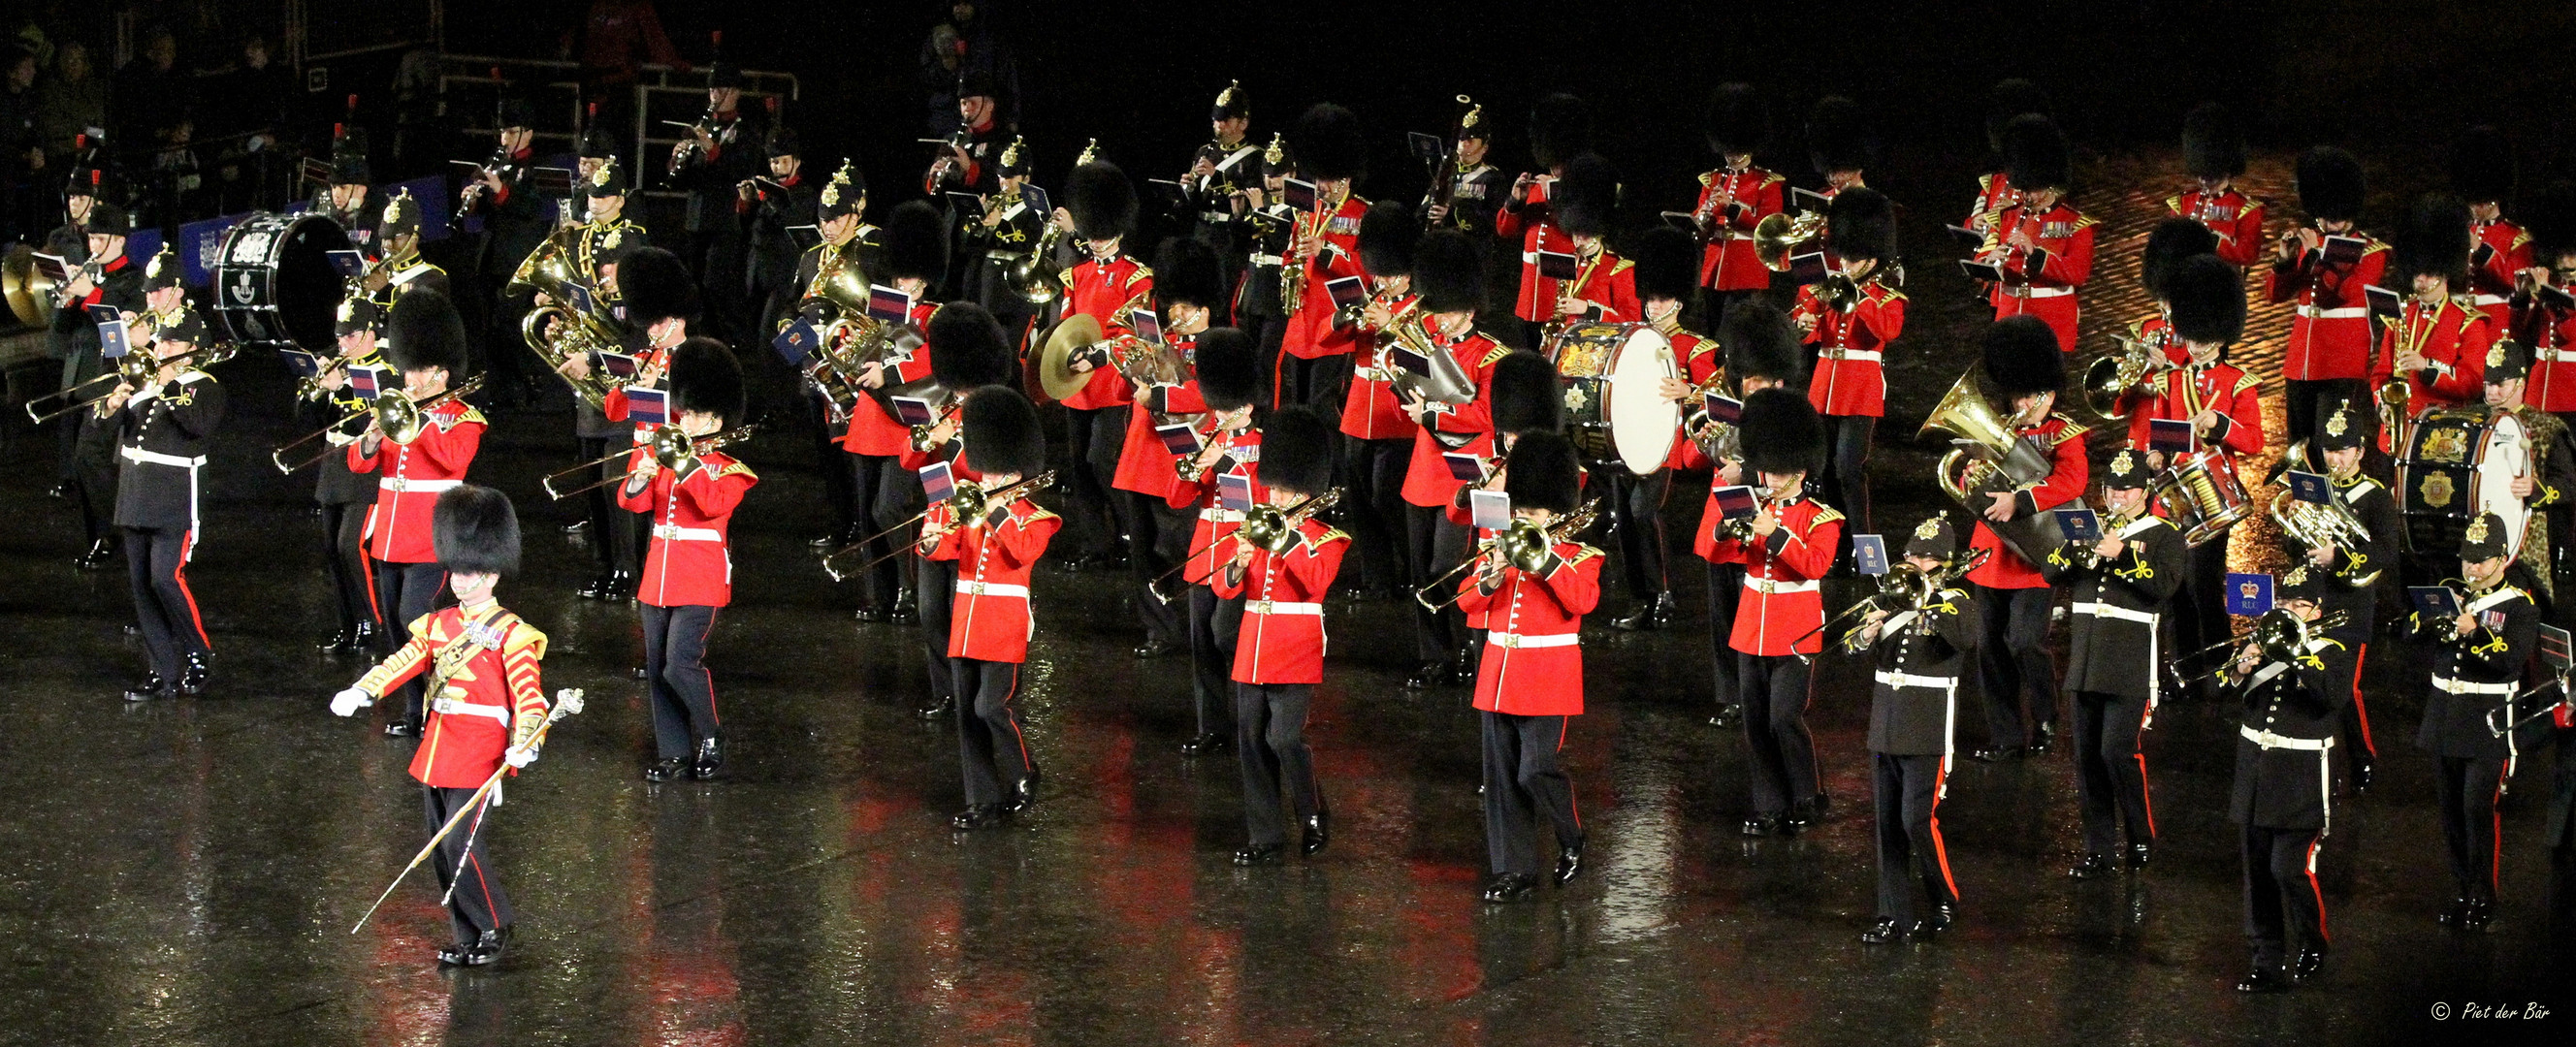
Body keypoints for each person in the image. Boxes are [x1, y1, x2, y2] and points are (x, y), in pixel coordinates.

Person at [330, 485, 554, 968]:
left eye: (468, 571)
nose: (457, 580)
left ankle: (494, 922)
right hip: (439, 747)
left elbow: (528, 694)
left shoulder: (512, 634)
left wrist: (527, 741)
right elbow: (405, 660)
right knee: (440, 852)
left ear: (491, 574)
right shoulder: (438, 624)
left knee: (460, 844)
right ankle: (466, 933)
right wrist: (365, 690)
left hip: (481, 752)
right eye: (455, 569)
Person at [1458, 430, 1602, 902]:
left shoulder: (1582, 555)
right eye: (1519, 510)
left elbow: (1583, 599)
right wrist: (1491, 576)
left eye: (1532, 512)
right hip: (1499, 670)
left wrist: (1546, 562)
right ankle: (1512, 869)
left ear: (1555, 513)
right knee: (1500, 778)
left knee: (1534, 769)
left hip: (1548, 675)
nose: (1522, 519)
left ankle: (1571, 836)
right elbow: (1467, 605)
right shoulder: (1499, 548)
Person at [2041, 449, 2186, 878]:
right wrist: (2071, 553)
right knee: (2087, 758)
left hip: (2129, 661)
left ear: (2144, 492)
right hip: (2086, 659)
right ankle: (2098, 848)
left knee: (2116, 753)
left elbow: (2163, 586)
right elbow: (2050, 573)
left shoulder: (2164, 535)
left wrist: (2121, 553)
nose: (2117, 497)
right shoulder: (2091, 529)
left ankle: (2140, 834)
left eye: (2126, 490)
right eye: (2111, 489)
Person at [618, 339, 756, 782]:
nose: (685, 420)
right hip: (658, 574)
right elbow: (631, 503)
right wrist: (640, 478)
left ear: (715, 419)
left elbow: (714, 504)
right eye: (684, 412)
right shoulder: (658, 457)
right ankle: (674, 751)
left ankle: (712, 734)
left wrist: (683, 464)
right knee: (658, 668)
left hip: (700, 577)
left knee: (680, 663)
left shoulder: (730, 469)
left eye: (695, 414)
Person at [1215, 405, 1348, 863]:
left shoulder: (1328, 538)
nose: (1273, 496)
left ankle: (1311, 809)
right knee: (1251, 741)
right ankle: (1265, 836)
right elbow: (1224, 587)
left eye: (1284, 489)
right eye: (1272, 487)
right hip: (1253, 642)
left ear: (1306, 492)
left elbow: (1315, 581)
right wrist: (1236, 562)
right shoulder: (1255, 525)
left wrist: (1284, 538)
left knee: (1284, 739)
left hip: (1295, 644)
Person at [350, 290, 484, 737]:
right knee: (394, 627)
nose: (408, 376)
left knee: (416, 621)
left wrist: (419, 422)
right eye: (408, 367)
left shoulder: (463, 417)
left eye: (418, 369)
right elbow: (361, 464)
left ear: (441, 373)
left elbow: (453, 461)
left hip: (432, 535)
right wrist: (370, 437)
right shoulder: (396, 411)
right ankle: (415, 711)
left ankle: (437, 706)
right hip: (389, 532)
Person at [2125, 254, 2262, 691]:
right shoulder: (2173, 380)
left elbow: (2254, 441)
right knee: (2176, 586)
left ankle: (2221, 669)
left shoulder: (2238, 382)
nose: (2196, 344)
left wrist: (2220, 426)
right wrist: (2155, 456)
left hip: (2214, 496)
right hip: (2176, 496)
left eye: (2204, 338)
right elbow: (2158, 432)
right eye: (2192, 336)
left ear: (2221, 337)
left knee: (2206, 585)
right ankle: (2184, 668)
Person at [1713, 387, 1840, 836]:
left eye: (1777, 472)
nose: (1767, 477)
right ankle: (1769, 803)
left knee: (1784, 718)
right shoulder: (1754, 504)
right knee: (1755, 723)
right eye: (1765, 469)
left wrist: (1776, 535)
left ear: (1800, 472)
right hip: (1751, 627)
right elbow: (1715, 548)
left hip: (1795, 629)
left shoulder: (1823, 518)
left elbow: (1815, 564)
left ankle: (1807, 794)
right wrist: (1727, 528)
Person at [934, 386, 1061, 830]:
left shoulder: (1036, 517)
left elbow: (1022, 550)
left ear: (1016, 474)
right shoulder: (972, 507)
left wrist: (995, 511)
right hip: (966, 619)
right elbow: (944, 550)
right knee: (968, 713)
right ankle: (981, 800)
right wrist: (934, 534)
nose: (985, 480)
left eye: (994, 475)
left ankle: (1024, 771)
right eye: (984, 473)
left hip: (1004, 624)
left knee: (992, 707)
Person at [1965, 317, 2090, 761]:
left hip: (2036, 553)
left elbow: (2072, 481)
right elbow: (1974, 476)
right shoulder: (1996, 427)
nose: (2022, 402)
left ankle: (2044, 714)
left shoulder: (2066, 432)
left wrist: (2022, 499)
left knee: (2023, 641)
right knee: (1989, 647)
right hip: (1990, 552)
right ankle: (2005, 734)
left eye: (2031, 394)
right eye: (2017, 393)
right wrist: (1969, 476)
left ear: (2050, 393)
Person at [1397, 230, 1510, 690]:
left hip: (1462, 473)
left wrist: (1434, 411)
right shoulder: (1427, 342)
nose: (1437, 318)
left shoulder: (1491, 354)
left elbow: (1485, 413)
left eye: (1444, 309)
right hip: (1424, 469)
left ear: (1466, 307)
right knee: (1421, 572)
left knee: (1451, 565)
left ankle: (1465, 644)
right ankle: (1435, 654)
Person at [1854, 517, 1977, 943]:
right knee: (1887, 825)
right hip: (1886, 721)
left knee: (1915, 821)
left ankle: (1944, 896)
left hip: (1926, 724)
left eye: (1926, 558)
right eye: (1911, 556)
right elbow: (1855, 647)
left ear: (1943, 564)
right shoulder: (1889, 598)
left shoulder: (1958, 600)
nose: (1916, 563)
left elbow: (1964, 638)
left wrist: (1923, 600)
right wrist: (1868, 631)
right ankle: (1892, 914)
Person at [2414, 512, 2538, 931]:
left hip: (2486, 725)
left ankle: (2484, 895)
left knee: (2477, 810)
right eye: (2467, 558)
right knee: (2451, 812)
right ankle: (2462, 890)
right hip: (2446, 718)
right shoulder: (2454, 595)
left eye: (2481, 560)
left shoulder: (2520, 606)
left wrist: (2475, 632)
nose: (2471, 567)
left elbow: (2508, 660)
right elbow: (2413, 643)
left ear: (2502, 559)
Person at [2223, 567, 2345, 993]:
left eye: (2299, 605)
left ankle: (2312, 940)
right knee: (2257, 873)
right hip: (2256, 771)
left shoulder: (2332, 650)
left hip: (2300, 777)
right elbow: (2222, 692)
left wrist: (2293, 653)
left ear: (2317, 611)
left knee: (2288, 869)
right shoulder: (2261, 644)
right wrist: (2240, 667)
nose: (2290, 611)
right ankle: (2265, 960)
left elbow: (2331, 698)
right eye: (2284, 604)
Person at [1111, 237, 1225, 657]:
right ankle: (1157, 628)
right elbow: (1124, 391)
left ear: (1205, 310)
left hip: (1181, 460)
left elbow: (1210, 395)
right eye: (1171, 306)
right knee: (1142, 552)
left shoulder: (1217, 346)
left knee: (1177, 548)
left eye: (1184, 307)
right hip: (1140, 456)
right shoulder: (1159, 343)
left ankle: (1189, 626)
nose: (1174, 314)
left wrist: (1159, 396)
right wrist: (1122, 365)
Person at [904, 302, 1018, 722]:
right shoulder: (946, 409)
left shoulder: (998, 411)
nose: (958, 396)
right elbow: (909, 461)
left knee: (961, 617)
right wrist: (924, 441)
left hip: (973, 529)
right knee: (931, 612)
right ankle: (944, 690)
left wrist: (952, 443)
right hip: (937, 525)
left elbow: (997, 470)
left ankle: (967, 692)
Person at [1693, 301, 1803, 729]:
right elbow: (1701, 458)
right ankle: (1729, 694)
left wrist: (1750, 470)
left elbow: (1797, 467)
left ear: (1777, 377)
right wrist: (1706, 442)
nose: (1747, 385)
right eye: (1746, 378)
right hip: (1722, 517)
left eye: (1755, 379)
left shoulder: (1789, 410)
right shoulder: (1732, 401)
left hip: (1762, 518)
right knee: (1722, 610)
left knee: (1751, 613)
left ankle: (1755, 694)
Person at [2279, 401, 2399, 791]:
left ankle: (2363, 756)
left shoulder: (2375, 495)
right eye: (2329, 450)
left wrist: (2341, 555)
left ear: (2360, 452)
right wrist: (2296, 522)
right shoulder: (2314, 489)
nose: (2334, 458)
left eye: (2342, 450)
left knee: (2344, 686)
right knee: (2307, 676)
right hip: (2311, 600)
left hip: (2351, 603)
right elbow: (2292, 547)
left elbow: (2386, 552)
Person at [106, 306, 222, 702]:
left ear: (190, 350)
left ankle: (198, 652)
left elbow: (198, 426)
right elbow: (105, 433)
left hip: (173, 495)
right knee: (141, 585)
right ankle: (162, 670)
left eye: (172, 342)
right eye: (162, 340)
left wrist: (169, 384)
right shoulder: (146, 384)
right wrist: (111, 405)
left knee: (164, 578)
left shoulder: (204, 386)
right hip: (135, 493)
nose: (162, 347)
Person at [839, 201, 947, 624]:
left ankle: (909, 589)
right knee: (868, 515)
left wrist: (888, 370)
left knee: (891, 509)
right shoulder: (877, 313)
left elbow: (933, 365)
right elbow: (858, 354)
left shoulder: (933, 315)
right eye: (899, 273)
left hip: (906, 423)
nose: (903, 280)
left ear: (924, 279)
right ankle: (879, 594)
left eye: (911, 275)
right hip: (868, 422)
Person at [1164, 328, 1264, 755]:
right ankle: (1211, 726)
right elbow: (1176, 499)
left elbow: (1260, 502)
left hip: (1241, 548)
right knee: (1201, 639)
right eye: (1220, 408)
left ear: (1249, 405)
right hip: (1205, 546)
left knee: (1228, 635)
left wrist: (1224, 464)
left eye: (1231, 409)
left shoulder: (1262, 445)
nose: (1222, 416)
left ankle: (1248, 720)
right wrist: (1189, 469)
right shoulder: (1210, 436)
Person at [1052, 157, 1150, 571]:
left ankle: (1133, 532)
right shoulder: (1076, 275)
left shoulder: (1137, 277)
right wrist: (1066, 354)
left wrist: (1095, 355)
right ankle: (1098, 541)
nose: (1094, 240)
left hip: (1114, 384)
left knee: (1103, 460)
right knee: (1080, 469)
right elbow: (1065, 323)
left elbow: (1136, 336)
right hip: (1078, 384)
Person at [1794, 186, 1903, 550]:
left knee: (1849, 470)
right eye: (1843, 258)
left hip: (1861, 388)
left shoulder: (1887, 297)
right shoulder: (1826, 287)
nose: (1844, 264)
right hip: (1824, 383)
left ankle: (1864, 547)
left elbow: (1888, 330)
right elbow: (1805, 329)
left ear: (1871, 260)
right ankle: (1833, 544)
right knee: (1822, 470)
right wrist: (1804, 325)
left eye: (1852, 260)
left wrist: (1859, 301)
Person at [1610, 225, 1700, 630]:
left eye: (1661, 299)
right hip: (1626, 442)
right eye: (1649, 298)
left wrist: (1691, 390)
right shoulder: (1632, 339)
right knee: (1625, 520)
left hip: (1664, 447)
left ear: (1678, 303)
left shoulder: (1697, 347)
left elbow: (1720, 396)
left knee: (1644, 513)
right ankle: (1640, 597)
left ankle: (1664, 592)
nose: (1652, 306)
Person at [2267, 147, 2387, 447]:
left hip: (2341, 361)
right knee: (2299, 445)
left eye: (2334, 217)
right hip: (2302, 359)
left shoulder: (2372, 252)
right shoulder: (2311, 243)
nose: (2328, 223)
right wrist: (2284, 260)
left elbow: (2345, 294)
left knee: (2333, 442)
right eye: (2324, 216)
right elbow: (2274, 294)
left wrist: (2317, 257)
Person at [1340, 200, 1423, 597]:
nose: (1384, 281)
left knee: (1387, 498)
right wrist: (1344, 317)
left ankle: (1411, 566)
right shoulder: (1368, 297)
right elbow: (1327, 336)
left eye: (1391, 275)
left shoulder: (1421, 307)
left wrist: (1390, 326)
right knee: (1360, 502)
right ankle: (1378, 578)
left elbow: (1426, 353)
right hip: (1359, 411)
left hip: (1396, 413)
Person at [54, 199, 141, 570]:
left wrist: (89, 293)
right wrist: (65, 300)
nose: (93, 246)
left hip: (111, 381)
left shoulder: (133, 278)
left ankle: (114, 534)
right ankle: (99, 536)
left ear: (119, 241)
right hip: (78, 380)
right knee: (82, 463)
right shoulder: (94, 277)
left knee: (92, 460)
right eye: (91, 238)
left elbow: (123, 330)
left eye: (101, 238)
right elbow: (61, 333)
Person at [303, 297, 390, 655]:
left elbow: (369, 426)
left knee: (350, 546)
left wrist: (341, 388)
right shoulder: (338, 371)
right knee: (332, 551)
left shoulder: (385, 374)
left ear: (370, 333)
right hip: (333, 467)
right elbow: (308, 420)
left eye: (351, 336)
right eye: (340, 338)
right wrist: (319, 392)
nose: (343, 345)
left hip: (366, 472)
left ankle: (373, 623)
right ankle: (349, 624)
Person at [1276, 103, 1370, 416]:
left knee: (1324, 410)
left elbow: (1367, 271)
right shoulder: (1308, 209)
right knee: (1294, 405)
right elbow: (1291, 250)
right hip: (1301, 325)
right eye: (1319, 177)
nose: (1321, 185)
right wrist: (1289, 266)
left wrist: (1326, 252)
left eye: (1328, 179)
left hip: (1334, 328)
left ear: (1345, 177)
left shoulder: (1361, 213)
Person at [459, 95, 551, 409]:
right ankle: (500, 391)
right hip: (491, 257)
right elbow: (483, 211)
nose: (504, 139)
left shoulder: (537, 166)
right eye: (502, 132)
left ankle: (529, 383)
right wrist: (472, 199)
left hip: (518, 258)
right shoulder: (500, 164)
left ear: (528, 133)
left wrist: (501, 190)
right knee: (490, 331)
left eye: (511, 132)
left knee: (514, 327)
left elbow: (531, 208)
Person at [1975, 114, 2093, 353]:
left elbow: (2078, 273)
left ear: (2049, 184)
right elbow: (1982, 257)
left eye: (2033, 190)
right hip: (2009, 314)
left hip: (2051, 319)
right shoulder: (2006, 216)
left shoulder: (2074, 222)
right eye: (2024, 189)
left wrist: (2035, 253)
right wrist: (1989, 261)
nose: (2027, 197)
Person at [667, 58, 763, 345]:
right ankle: (704, 339)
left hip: (725, 220)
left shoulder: (746, 131)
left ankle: (729, 340)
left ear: (734, 92)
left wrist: (713, 150)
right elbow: (683, 181)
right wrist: (677, 160)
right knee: (694, 285)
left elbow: (741, 170)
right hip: (696, 218)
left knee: (717, 283)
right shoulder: (702, 127)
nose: (713, 96)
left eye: (719, 90)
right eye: (710, 90)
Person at [2375, 195, 2493, 419]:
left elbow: (2474, 383)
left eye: (2428, 273)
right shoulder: (2401, 314)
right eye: (2416, 272)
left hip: (2441, 426)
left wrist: (2427, 367)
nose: (2420, 279)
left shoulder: (2468, 321)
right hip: (2398, 423)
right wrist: (2383, 404)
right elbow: (2380, 373)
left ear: (2444, 272)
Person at [2481, 337, 2576, 609]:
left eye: (2501, 385)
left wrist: (2535, 489)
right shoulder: (2476, 421)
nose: (2493, 392)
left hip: (2526, 545)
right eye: (2489, 384)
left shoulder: (2547, 428)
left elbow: (2569, 486)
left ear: (2520, 384)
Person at [1497, 94, 1590, 350]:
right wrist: (1516, 200)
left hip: (1561, 285)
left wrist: (1560, 194)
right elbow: (1506, 230)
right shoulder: (1537, 185)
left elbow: (1584, 229)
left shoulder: (1582, 187)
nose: (1556, 168)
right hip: (1531, 288)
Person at [1693, 82, 1782, 331]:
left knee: (1742, 332)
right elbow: (1699, 219)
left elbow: (1769, 225)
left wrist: (1732, 208)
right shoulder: (1712, 179)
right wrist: (1704, 215)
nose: (1731, 154)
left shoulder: (1765, 182)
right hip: (1714, 265)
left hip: (1746, 268)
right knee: (1711, 332)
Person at [1179, 79, 1258, 297]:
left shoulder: (1254, 157)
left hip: (1229, 239)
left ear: (1243, 123)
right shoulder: (1205, 150)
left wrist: (1216, 177)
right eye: (1216, 119)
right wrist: (1188, 188)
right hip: (1201, 233)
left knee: (1222, 295)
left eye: (1225, 119)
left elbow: (1250, 199)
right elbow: (1196, 202)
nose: (1219, 125)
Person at [2452, 126, 2529, 333]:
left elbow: (2513, 280)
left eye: (2482, 201)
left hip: (2493, 326)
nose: (2476, 208)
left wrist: (2479, 248)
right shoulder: (2460, 230)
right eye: (2472, 201)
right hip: (2456, 324)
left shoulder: (2517, 238)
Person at [742, 124, 816, 339]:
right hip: (758, 273)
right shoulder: (766, 189)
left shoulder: (804, 193)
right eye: (774, 162)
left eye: (784, 161)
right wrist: (748, 203)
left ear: (797, 162)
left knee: (773, 330)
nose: (778, 167)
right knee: (755, 332)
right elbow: (752, 230)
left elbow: (791, 220)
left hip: (785, 275)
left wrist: (767, 198)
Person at [2170, 103, 2265, 268]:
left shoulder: (2245, 209)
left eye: (2210, 172)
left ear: (2227, 168)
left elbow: (2248, 255)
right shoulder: (2183, 203)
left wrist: (2212, 240)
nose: (2204, 178)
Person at [1963, 79, 2049, 243]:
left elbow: (2048, 222)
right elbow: (1970, 223)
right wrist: (1975, 223)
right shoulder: (1994, 181)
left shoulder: (2043, 182)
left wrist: (2010, 211)